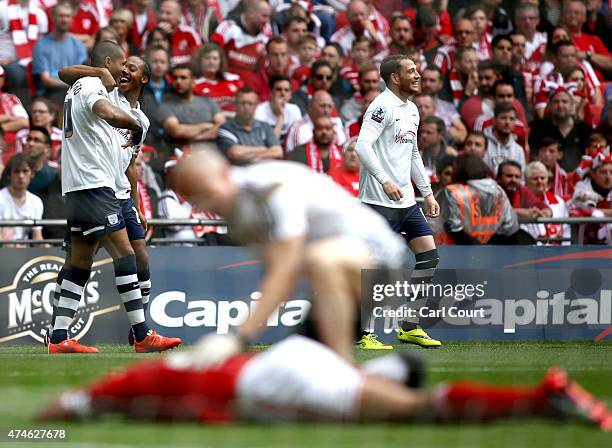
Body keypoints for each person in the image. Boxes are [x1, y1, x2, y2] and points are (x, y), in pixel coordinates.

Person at [38, 334, 612, 431]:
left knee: (418, 411)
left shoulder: (127, 388)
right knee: (404, 392)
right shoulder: (154, 380)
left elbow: (62, 409)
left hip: (273, 380)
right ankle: (540, 400)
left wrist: (26, 437)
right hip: (291, 361)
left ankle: (542, 397)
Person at [48, 41, 178, 354]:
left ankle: (58, 336)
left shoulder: (140, 118)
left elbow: (130, 164)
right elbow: (99, 105)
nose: (125, 71)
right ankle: (142, 333)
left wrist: (136, 202)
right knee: (125, 253)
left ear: (143, 79)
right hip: (94, 184)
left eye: (132, 68)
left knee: (82, 260)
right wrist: (101, 73)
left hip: (105, 187)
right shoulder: (99, 86)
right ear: (110, 63)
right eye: (124, 64)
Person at [355, 54, 442, 348]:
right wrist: (384, 180)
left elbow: (413, 153)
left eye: (417, 70)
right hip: (378, 202)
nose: (418, 75)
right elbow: (362, 146)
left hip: (406, 202)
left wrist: (427, 193)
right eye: (411, 71)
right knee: (375, 270)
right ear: (395, 77)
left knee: (429, 256)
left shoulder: (412, 109)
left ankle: (409, 326)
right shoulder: (381, 106)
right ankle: (362, 334)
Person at [433, 153, 518, 245]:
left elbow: (454, 230)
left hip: (451, 251)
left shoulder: (452, 192)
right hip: (489, 252)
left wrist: (477, 249)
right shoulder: (498, 192)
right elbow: (510, 227)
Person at [31, 2, 88, 105]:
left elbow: (81, 73)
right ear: (53, 17)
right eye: (60, 16)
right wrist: (73, 85)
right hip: (50, 95)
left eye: (67, 16)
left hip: (74, 92)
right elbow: (46, 80)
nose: (64, 19)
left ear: (71, 19)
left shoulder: (78, 45)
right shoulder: (41, 45)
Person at [159, 64, 226, 150]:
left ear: (193, 81)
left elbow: (223, 127)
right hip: (182, 155)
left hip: (213, 152)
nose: (178, 81)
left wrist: (197, 138)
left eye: (183, 78)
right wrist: (206, 126)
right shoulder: (165, 106)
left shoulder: (209, 102)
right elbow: (176, 131)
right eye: (175, 78)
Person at [217, 88, 282, 165]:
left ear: (256, 105)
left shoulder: (265, 126)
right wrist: (263, 149)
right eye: (242, 103)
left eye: (250, 104)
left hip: (265, 171)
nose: (246, 107)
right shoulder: (226, 128)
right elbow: (234, 152)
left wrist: (253, 158)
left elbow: (278, 152)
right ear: (235, 104)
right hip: (239, 172)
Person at [522, 161, 570, 245]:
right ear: (526, 182)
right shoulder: (520, 202)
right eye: (535, 179)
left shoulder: (558, 201)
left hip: (557, 252)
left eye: (542, 178)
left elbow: (566, 230)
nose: (539, 181)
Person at [0, 153, 43, 245]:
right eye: (16, 171)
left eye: (25, 171)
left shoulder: (36, 202)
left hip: (25, 254)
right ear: (9, 175)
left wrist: (45, 247)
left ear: (32, 174)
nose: (21, 176)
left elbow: (37, 236)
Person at [192, 43, 244, 114]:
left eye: (215, 58)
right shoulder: (194, 84)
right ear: (200, 61)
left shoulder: (234, 79)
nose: (211, 62)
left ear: (220, 61)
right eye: (207, 58)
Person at [254, 75, 302, 140]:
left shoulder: (294, 109)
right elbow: (267, 142)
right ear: (271, 92)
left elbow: (298, 138)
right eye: (278, 89)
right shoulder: (260, 110)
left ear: (290, 94)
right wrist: (280, 117)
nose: (282, 93)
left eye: (286, 90)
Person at [483, 103, 526, 176]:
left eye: (511, 119)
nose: (507, 122)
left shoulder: (518, 150)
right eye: (503, 118)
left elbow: (521, 179)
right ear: (494, 120)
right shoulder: (483, 145)